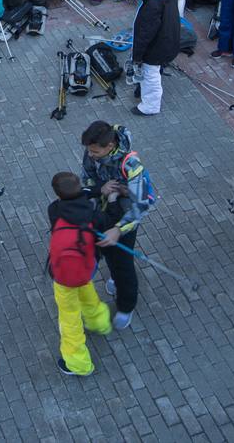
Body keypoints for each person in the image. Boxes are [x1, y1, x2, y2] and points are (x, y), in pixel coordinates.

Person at [81, 121, 154, 330]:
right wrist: (98, 189)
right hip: (103, 211)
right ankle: (113, 274)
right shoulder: (92, 152)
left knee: (123, 263)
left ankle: (126, 306)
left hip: (124, 219)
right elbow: (87, 177)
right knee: (106, 253)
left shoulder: (132, 166)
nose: (91, 155)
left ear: (110, 145)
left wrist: (118, 229)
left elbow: (139, 206)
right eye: (89, 151)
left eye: (95, 152)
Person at [47, 171, 113, 377]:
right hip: (86, 267)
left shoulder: (54, 210)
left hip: (64, 275)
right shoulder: (94, 214)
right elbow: (105, 222)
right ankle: (99, 322)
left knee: (69, 319)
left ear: (58, 195)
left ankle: (78, 363)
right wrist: (107, 198)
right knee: (87, 291)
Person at [130, 0, 180, 117]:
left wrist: (137, 56)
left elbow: (145, 33)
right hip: (168, 38)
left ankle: (150, 106)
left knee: (151, 76)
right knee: (152, 73)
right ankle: (142, 90)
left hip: (157, 46)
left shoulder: (153, 2)